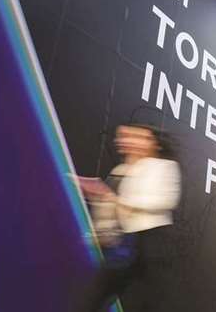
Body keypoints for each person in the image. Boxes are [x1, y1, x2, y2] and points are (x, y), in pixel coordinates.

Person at [78, 124, 181, 312]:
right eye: (129, 137)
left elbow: (164, 201)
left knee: (148, 302)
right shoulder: (121, 170)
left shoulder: (165, 166)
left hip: (154, 241)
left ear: (154, 144)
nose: (134, 142)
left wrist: (114, 198)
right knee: (94, 295)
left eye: (142, 138)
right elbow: (111, 211)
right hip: (126, 241)